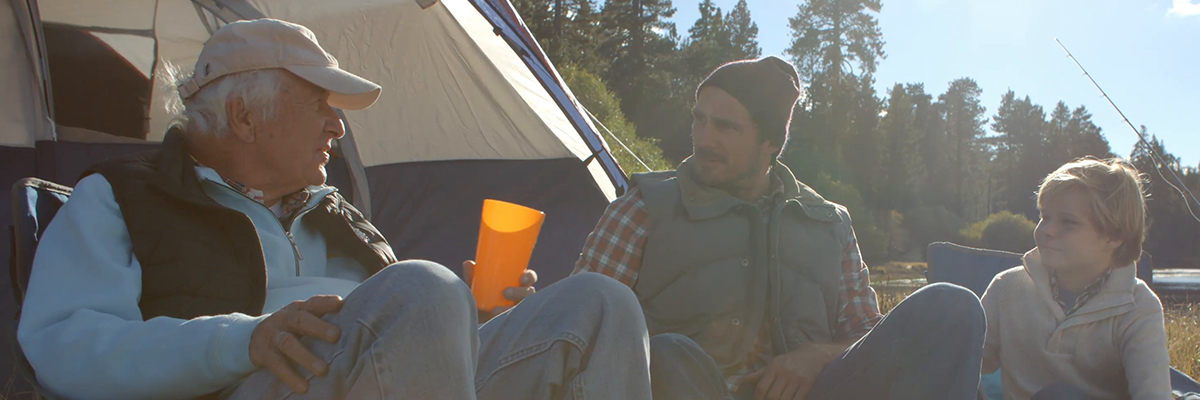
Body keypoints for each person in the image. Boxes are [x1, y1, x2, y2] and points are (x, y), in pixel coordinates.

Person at [17, 18, 651, 400]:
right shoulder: (125, 198)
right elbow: (66, 347)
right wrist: (244, 341)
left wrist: (465, 318)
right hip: (248, 384)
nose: (338, 129)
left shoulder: (335, 213)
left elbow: (402, 347)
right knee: (424, 289)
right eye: (322, 105)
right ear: (244, 115)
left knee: (596, 303)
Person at [573, 56, 986, 400]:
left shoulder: (829, 222)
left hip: (819, 391)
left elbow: (863, 331)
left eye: (726, 127)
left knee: (953, 306)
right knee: (668, 353)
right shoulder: (646, 206)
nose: (704, 138)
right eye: (699, 119)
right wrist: (523, 308)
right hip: (692, 387)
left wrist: (816, 356)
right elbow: (578, 319)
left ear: (770, 142)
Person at [980, 158, 1172, 400]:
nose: (1046, 230)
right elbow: (966, 366)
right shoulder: (1006, 288)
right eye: (1045, 216)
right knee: (944, 299)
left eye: (1067, 222)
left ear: (1114, 235)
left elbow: (1152, 394)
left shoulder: (1138, 308)